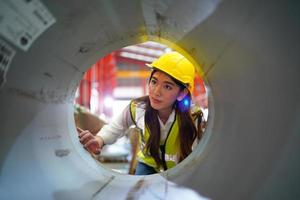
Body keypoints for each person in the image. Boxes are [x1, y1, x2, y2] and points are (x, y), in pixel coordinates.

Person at [77, 51, 205, 175]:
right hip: (148, 166)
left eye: (167, 86)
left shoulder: (194, 116)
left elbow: (200, 152)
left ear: (182, 93)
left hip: (180, 168)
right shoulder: (138, 108)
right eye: (154, 82)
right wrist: (98, 140)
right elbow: (115, 128)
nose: (156, 91)